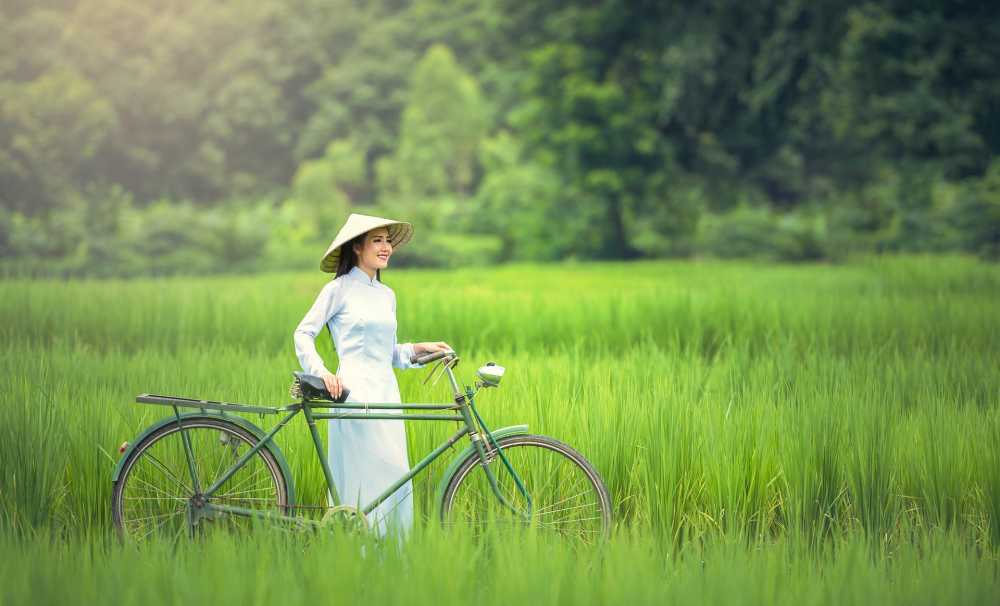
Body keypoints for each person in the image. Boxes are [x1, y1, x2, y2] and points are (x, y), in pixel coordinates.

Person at [293, 213, 451, 539]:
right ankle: (356, 553)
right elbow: (303, 334)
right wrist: (322, 373)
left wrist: (421, 348)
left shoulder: (386, 295)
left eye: (388, 240)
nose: (386, 247)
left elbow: (389, 352)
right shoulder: (337, 290)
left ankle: (390, 564)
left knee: (395, 477)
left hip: (387, 394)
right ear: (357, 248)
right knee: (366, 477)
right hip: (353, 393)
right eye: (377, 240)